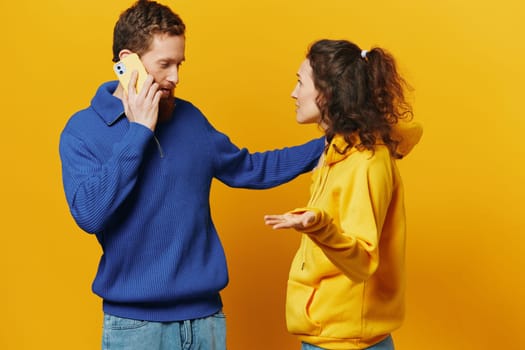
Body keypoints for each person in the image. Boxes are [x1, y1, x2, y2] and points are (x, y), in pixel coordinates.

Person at [58, 1, 325, 349]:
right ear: (127, 62)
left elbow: (249, 168)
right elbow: (90, 214)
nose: (175, 78)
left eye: (179, 64)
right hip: (134, 328)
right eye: (164, 64)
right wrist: (139, 132)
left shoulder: (190, 120)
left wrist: (328, 144)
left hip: (205, 322)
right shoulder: (82, 131)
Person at [264, 39, 423, 350]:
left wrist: (317, 225)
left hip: (347, 342)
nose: (293, 93)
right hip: (330, 336)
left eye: (300, 82)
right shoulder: (338, 152)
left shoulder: (365, 162)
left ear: (327, 93)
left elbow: (363, 259)